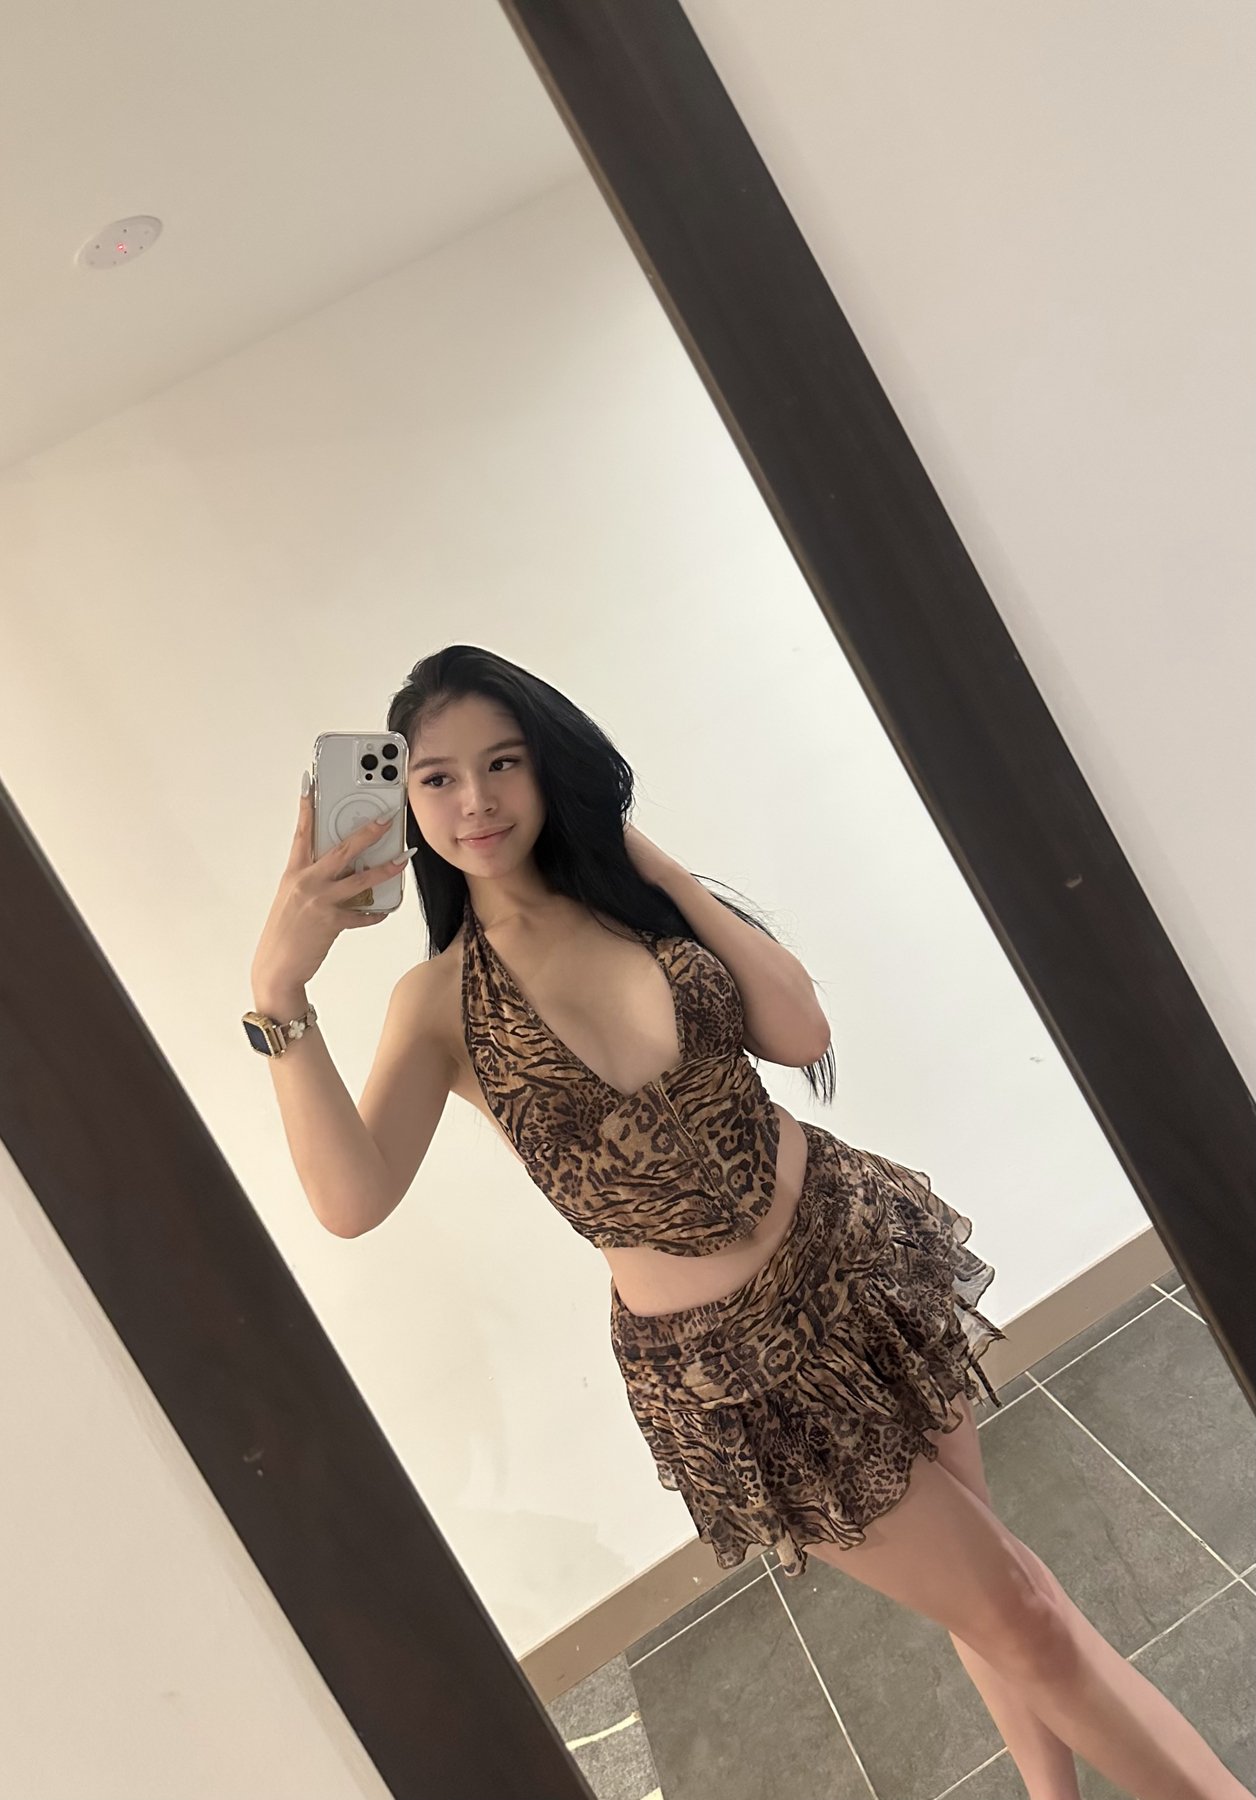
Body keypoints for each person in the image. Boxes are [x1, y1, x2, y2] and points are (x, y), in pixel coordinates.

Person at [250, 644, 1251, 1800]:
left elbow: (797, 1032)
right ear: (403, 799)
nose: (474, 799)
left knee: (996, 1583)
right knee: (1014, 1603)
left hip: (849, 1248)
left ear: (545, 765)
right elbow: (351, 1199)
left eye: (504, 762)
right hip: (738, 1373)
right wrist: (279, 994)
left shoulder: (631, 906)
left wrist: (642, 855)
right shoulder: (437, 1004)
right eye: (436, 778)